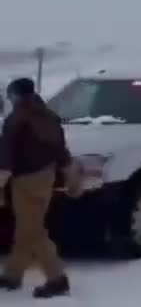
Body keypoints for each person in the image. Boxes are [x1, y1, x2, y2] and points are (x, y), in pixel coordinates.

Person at [0, 78, 74, 298]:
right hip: (46, 178)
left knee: (34, 231)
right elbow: (61, 149)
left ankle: (57, 278)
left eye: (10, 94)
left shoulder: (16, 119)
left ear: (15, 95)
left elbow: (6, 154)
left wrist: (1, 180)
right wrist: (70, 176)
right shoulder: (48, 116)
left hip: (25, 181)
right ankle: (13, 274)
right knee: (26, 228)